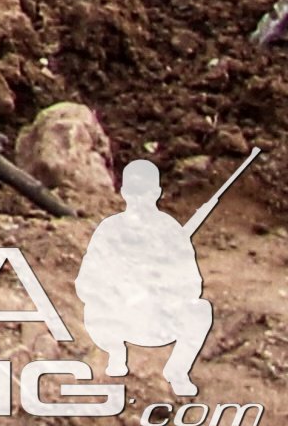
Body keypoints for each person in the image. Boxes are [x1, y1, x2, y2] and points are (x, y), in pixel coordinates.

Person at [77, 158, 215, 395]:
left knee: (201, 310)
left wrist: (163, 290)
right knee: (93, 308)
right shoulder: (109, 230)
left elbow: (192, 285)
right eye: (134, 192)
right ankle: (115, 355)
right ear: (123, 192)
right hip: (116, 318)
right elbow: (85, 283)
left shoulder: (171, 231)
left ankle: (177, 371)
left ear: (157, 193)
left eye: (145, 193)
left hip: (157, 318)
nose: (139, 200)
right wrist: (118, 289)